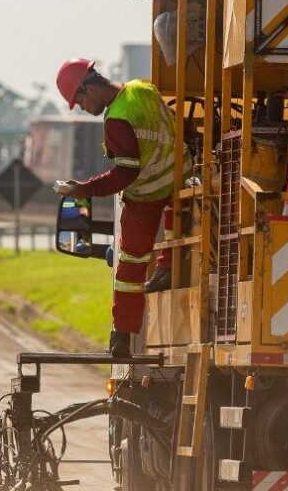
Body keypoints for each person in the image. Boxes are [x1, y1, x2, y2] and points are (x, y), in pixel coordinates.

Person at [54, 58, 184, 357]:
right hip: (179, 181)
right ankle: (166, 265)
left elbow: (125, 173)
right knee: (176, 224)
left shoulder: (116, 119)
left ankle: (121, 337)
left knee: (129, 264)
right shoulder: (144, 91)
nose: (83, 108)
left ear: (89, 88)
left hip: (147, 192)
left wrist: (85, 189)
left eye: (80, 102)